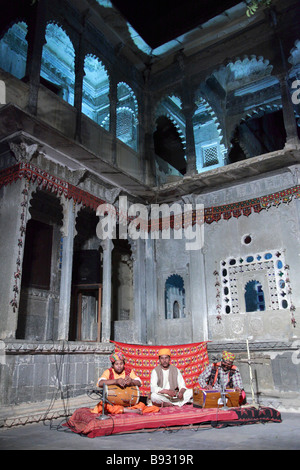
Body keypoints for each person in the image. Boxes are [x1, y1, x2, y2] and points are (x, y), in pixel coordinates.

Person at [92, 351, 159, 415]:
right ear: (113, 365)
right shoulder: (108, 372)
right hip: (113, 403)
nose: (119, 366)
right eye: (116, 364)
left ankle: (126, 410)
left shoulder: (129, 371)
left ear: (124, 364)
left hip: (128, 401)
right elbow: (100, 383)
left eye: (121, 364)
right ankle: (130, 411)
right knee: (103, 406)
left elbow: (139, 382)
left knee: (143, 405)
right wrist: (116, 381)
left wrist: (131, 381)